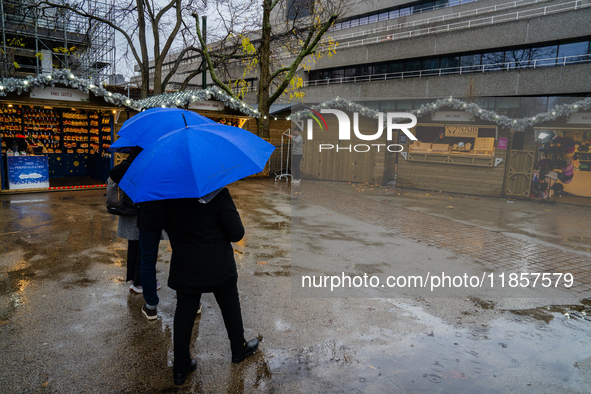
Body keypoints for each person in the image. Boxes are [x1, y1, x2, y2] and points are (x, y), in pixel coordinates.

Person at [163, 187, 258, 386]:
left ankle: (180, 366)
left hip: (186, 266)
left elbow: (165, 227)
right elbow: (236, 233)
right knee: (230, 305)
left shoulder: (171, 195)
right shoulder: (219, 194)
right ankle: (238, 349)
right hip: (218, 266)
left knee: (184, 312)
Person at [109, 149, 144, 294]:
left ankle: (134, 280)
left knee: (135, 244)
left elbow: (115, 173)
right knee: (143, 246)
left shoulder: (131, 160)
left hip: (132, 209)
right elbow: (115, 172)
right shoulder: (140, 161)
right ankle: (139, 282)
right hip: (139, 210)